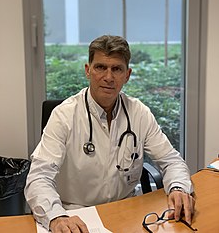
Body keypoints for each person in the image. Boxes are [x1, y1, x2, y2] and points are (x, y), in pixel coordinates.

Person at [25, 35, 195, 233]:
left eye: (116, 69)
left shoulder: (139, 113)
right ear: (88, 70)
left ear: (127, 74)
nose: (108, 77)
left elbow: (171, 160)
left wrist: (178, 188)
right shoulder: (64, 115)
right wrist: (56, 217)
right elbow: (39, 176)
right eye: (100, 67)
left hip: (126, 212)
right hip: (75, 214)